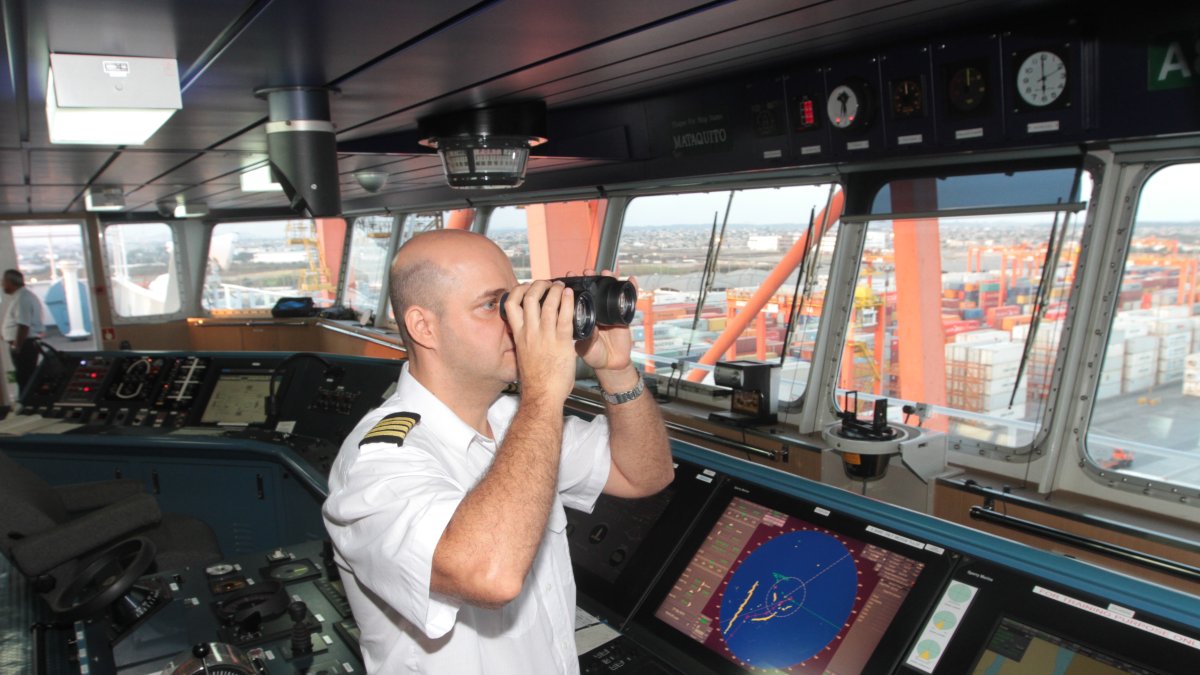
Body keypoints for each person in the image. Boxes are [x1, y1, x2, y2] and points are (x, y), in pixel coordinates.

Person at [323, 230, 674, 674]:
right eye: (492, 306)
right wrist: (544, 393)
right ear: (424, 327)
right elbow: (490, 575)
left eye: (514, 299)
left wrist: (617, 370)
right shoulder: (377, 462)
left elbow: (646, 474)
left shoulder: (515, 421)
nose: (516, 320)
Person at [2, 269, 45, 395]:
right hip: (24, 344)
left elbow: (23, 325)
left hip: (25, 345)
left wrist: (17, 346)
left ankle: (27, 402)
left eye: (3, 281)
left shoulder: (22, 298)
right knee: (24, 376)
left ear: (10, 282)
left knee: (25, 377)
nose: (2, 284)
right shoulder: (20, 297)